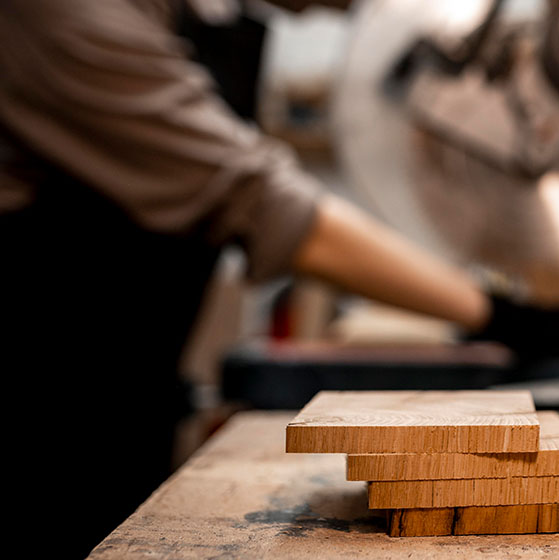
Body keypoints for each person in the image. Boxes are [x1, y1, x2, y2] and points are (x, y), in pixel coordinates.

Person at [0, 1, 492, 555]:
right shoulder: (67, 14)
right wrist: (494, 310)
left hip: (125, 397)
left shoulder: (203, 21)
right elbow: (260, 203)